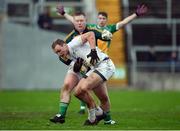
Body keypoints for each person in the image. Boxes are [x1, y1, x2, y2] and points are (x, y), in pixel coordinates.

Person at [56, 3, 148, 114]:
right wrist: (64, 13)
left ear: (107, 20)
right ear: (96, 19)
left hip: (101, 62)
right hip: (89, 60)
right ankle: (91, 111)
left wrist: (135, 14)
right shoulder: (89, 28)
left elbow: (123, 23)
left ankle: (100, 114)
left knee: (97, 92)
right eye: (99, 18)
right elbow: (76, 20)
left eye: (103, 18)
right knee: (83, 86)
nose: (101, 20)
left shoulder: (109, 29)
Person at [50, 12, 115, 125]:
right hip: (93, 69)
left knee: (82, 90)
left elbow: (90, 34)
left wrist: (93, 51)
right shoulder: (65, 56)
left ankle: (96, 116)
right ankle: (97, 114)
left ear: (65, 45)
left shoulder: (73, 42)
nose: (59, 54)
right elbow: (78, 68)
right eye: (57, 53)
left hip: (104, 65)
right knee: (78, 92)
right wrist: (76, 66)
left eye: (60, 51)